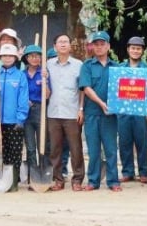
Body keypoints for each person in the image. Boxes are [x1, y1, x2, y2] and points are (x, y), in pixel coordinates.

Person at [0, 43, 29, 192]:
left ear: (15, 58)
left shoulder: (20, 76)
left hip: (14, 121)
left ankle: (14, 181)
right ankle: (2, 180)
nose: (7, 58)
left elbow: (23, 99)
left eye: (10, 56)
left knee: (15, 152)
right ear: (0, 58)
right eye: (5, 56)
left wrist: (20, 118)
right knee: (0, 151)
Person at [79, 31, 120, 191]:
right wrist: (102, 103)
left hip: (111, 115)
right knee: (93, 149)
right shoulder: (87, 66)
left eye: (102, 44)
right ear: (92, 47)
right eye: (96, 44)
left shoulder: (117, 68)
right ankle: (93, 181)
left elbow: (125, 89)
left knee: (110, 149)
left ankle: (113, 181)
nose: (99, 47)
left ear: (108, 46)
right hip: (92, 114)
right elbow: (86, 88)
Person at [45, 33, 84, 191]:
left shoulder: (78, 65)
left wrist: (81, 109)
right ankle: (58, 179)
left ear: (70, 46)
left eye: (65, 42)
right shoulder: (47, 65)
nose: (62, 44)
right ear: (54, 47)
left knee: (76, 148)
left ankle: (77, 179)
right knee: (55, 149)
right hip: (53, 113)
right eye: (59, 42)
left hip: (72, 112)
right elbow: (45, 89)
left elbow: (82, 89)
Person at [118, 36, 147, 184]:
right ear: (128, 49)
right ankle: (127, 172)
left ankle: (143, 172)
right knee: (124, 143)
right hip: (123, 112)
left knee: (142, 143)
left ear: (142, 51)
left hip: (141, 112)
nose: (135, 51)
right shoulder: (119, 69)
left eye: (138, 49)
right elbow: (114, 90)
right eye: (133, 48)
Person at [21, 44, 44, 180]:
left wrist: (45, 82)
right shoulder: (22, 75)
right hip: (26, 112)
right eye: (32, 56)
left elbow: (48, 95)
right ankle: (32, 174)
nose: (35, 59)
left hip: (40, 109)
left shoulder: (44, 73)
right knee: (30, 146)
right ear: (26, 58)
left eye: (37, 56)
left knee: (42, 144)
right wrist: (25, 101)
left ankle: (42, 172)